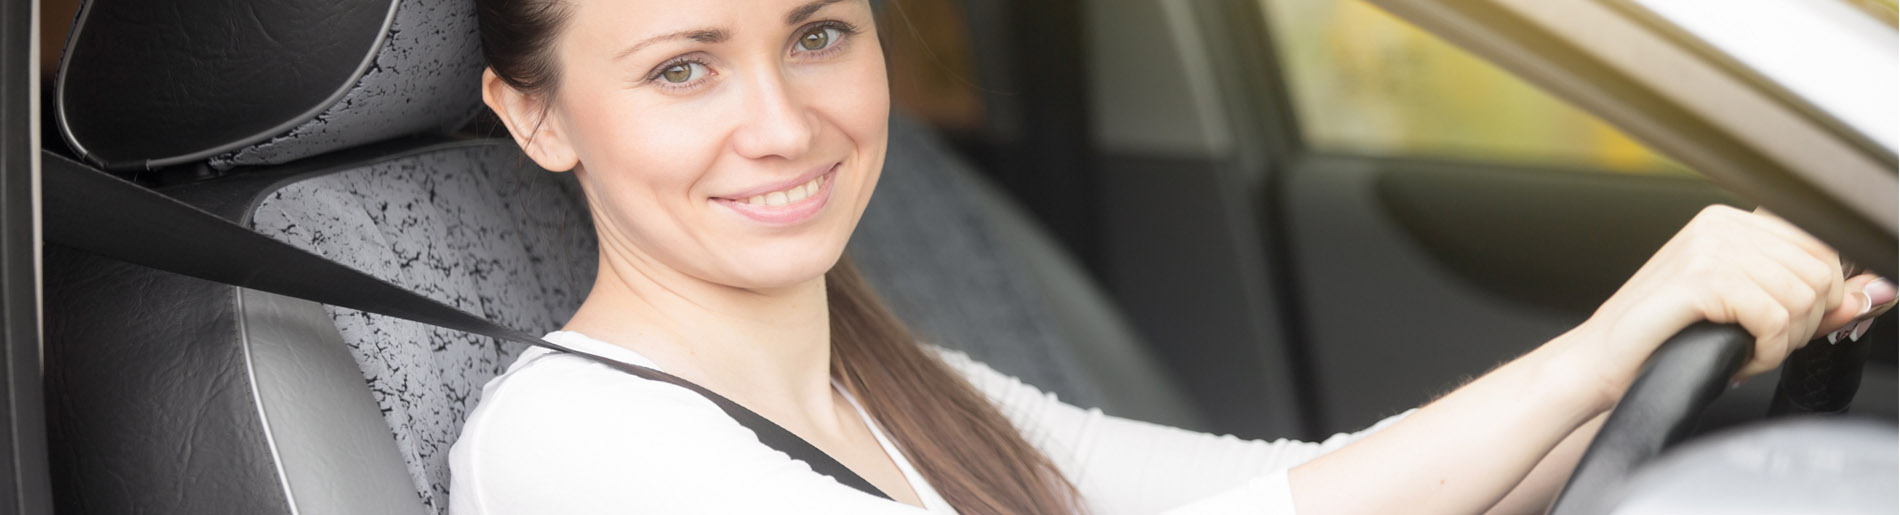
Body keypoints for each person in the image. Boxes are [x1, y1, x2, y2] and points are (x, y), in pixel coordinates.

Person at [445, 0, 1895, 513]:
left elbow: (1293, 487)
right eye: (683, 70)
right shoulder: (574, 452)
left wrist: (1668, 376)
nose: (782, 125)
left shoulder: (895, 390)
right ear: (536, 114)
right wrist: (1607, 344)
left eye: (820, 34)